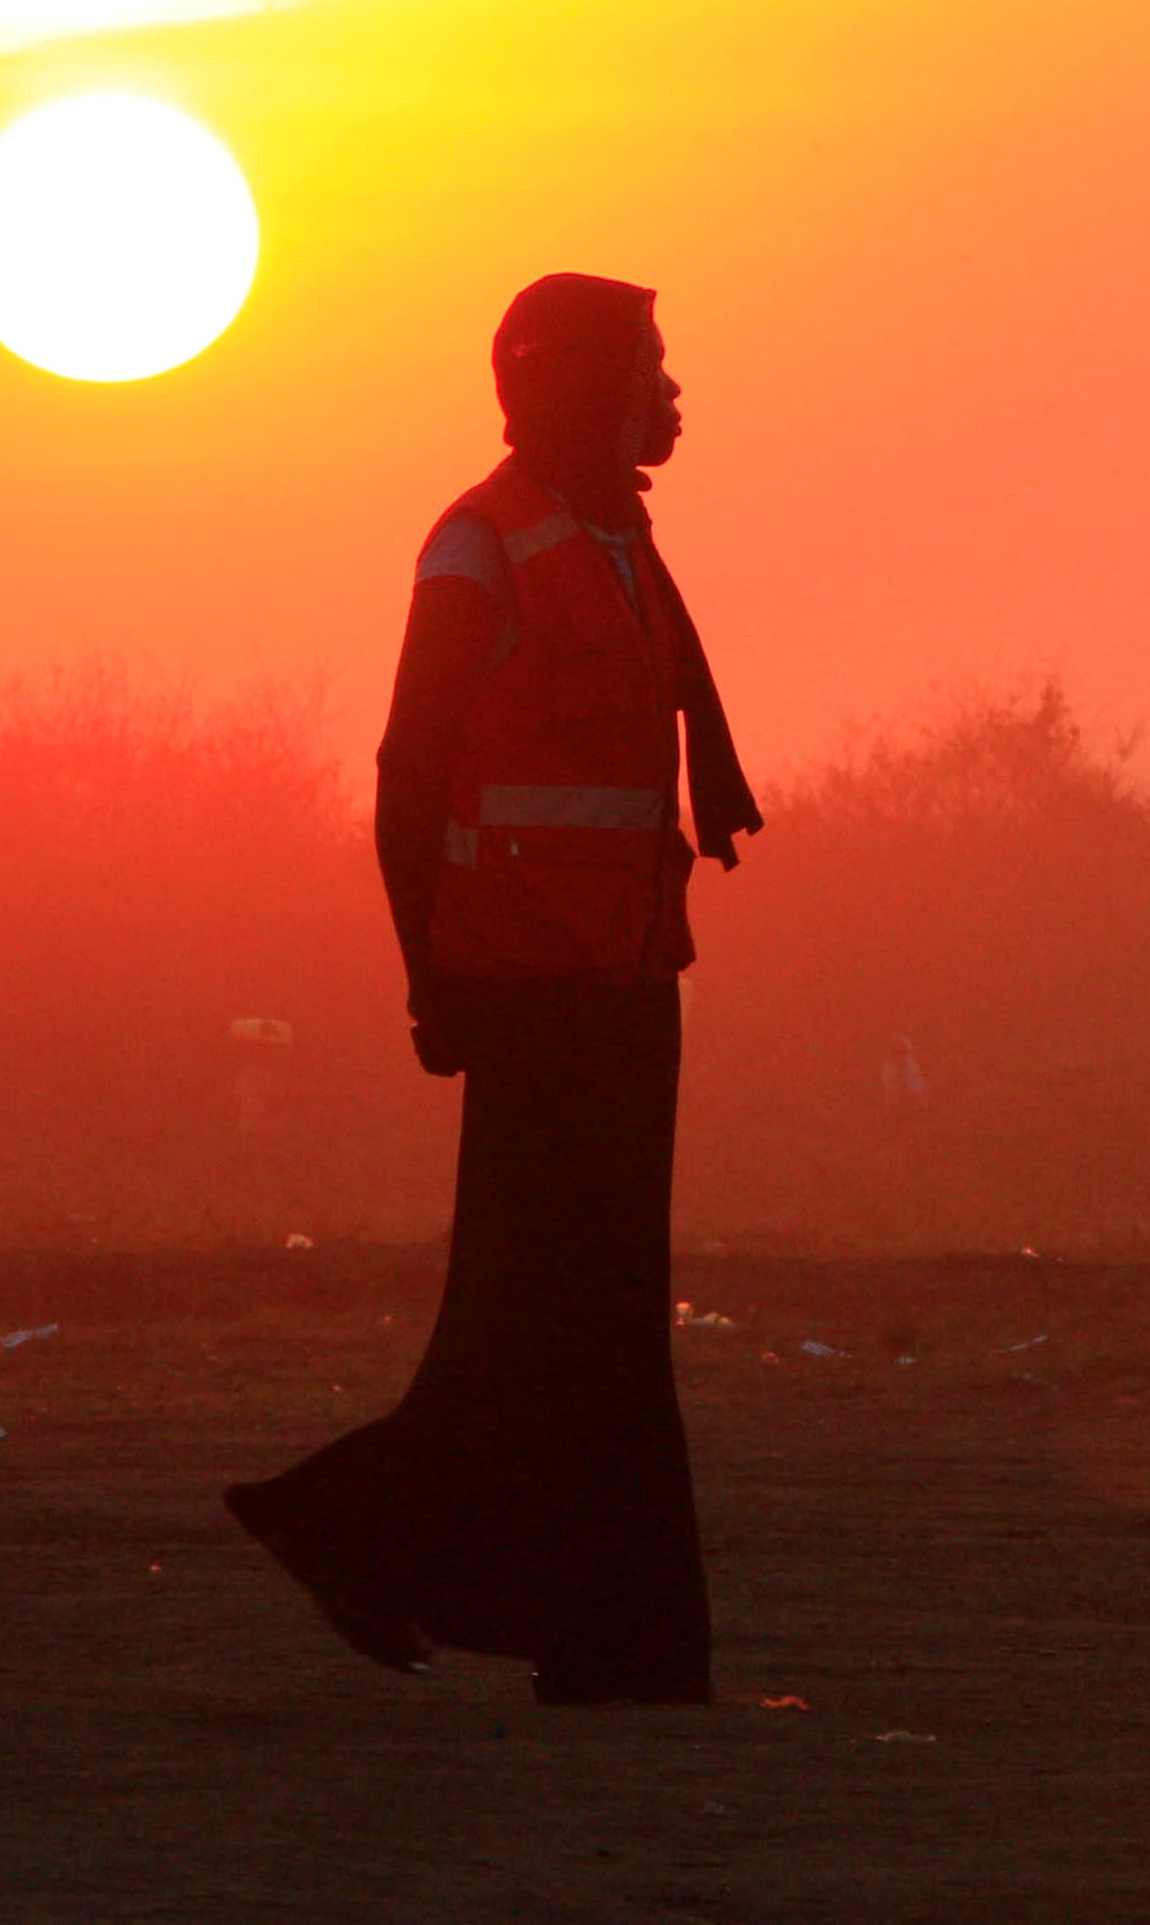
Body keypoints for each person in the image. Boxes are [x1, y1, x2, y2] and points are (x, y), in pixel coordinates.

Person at [227, 272, 763, 1705]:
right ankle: (522, 1605)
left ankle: (603, 1640)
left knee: (578, 1324)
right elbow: (408, 774)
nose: (671, 393)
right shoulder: (481, 548)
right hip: (525, 989)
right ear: (577, 384)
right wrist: (429, 978)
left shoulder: (617, 540)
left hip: (627, 982)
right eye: (648, 365)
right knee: (553, 1322)